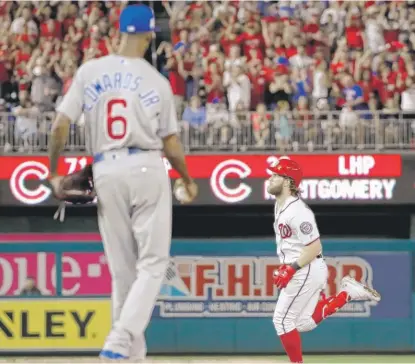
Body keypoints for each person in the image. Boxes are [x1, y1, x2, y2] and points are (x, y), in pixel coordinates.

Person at [47, 4, 198, 361]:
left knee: (123, 271)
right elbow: (171, 144)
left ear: (119, 32)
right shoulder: (156, 81)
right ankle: (120, 339)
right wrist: (188, 179)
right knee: (153, 263)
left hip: (105, 169)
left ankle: (129, 355)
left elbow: (59, 127)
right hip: (146, 165)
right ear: (149, 35)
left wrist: (54, 173)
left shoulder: (90, 70)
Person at [267, 157, 381, 364]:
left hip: (305, 268)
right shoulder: (281, 205)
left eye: (275, 175)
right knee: (303, 323)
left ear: (286, 181)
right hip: (307, 267)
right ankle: (347, 294)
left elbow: (314, 247)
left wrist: (291, 269)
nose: (270, 178)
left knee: (281, 321)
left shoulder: (297, 211)